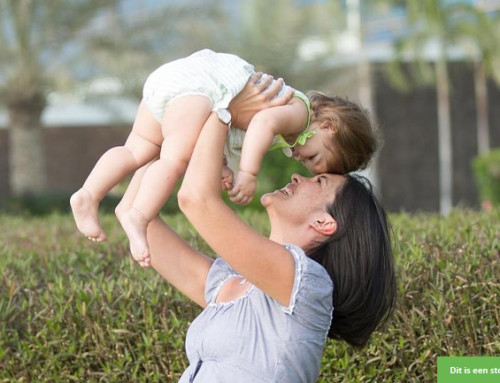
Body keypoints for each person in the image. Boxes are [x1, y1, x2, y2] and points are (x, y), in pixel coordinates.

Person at [134, 73, 396, 382]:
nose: (299, 176)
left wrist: (224, 103)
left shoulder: (308, 285)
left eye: (319, 181)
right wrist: (170, 128)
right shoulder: (234, 285)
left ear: (324, 223)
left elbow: (196, 200)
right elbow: (144, 221)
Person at [70, 49, 377, 267]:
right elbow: (259, 122)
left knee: (138, 149)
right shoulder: (299, 114)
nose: (303, 163)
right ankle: (138, 215)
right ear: (329, 126)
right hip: (204, 88)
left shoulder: (293, 126)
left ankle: (88, 194)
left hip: (179, 83)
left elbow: (228, 125)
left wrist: (221, 164)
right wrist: (248, 173)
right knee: (174, 159)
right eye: (314, 159)